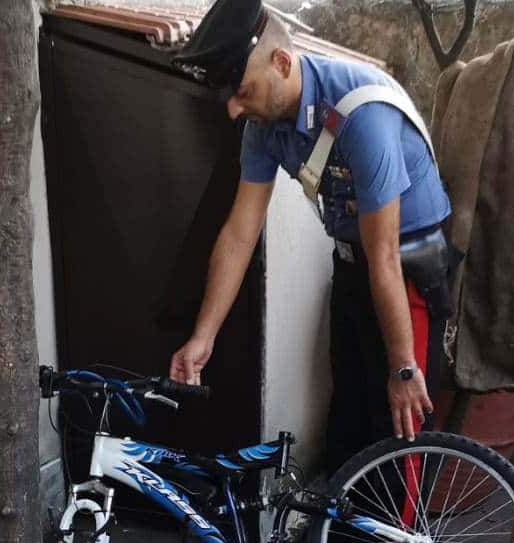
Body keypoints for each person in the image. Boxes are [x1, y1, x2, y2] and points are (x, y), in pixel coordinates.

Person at [169, 0, 454, 478]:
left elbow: (384, 255)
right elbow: (240, 234)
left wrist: (404, 369)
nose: (235, 110)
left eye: (242, 91)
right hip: (352, 263)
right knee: (349, 412)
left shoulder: (363, 116)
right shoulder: (265, 122)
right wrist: (204, 336)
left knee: (398, 426)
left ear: (281, 63)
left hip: (406, 273)